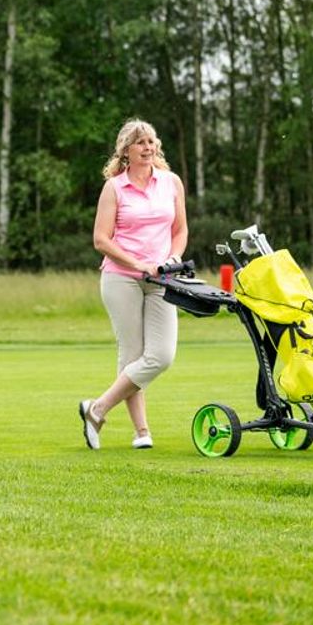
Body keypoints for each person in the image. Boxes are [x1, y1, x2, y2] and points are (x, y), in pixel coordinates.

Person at [78, 118, 189, 451]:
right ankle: (142, 432)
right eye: (140, 142)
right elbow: (101, 239)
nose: (148, 147)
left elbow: (180, 230)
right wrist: (138, 264)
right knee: (131, 356)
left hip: (161, 278)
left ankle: (97, 409)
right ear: (126, 150)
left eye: (151, 141)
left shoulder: (171, 182)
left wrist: (173, 257)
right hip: (121, 278)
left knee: (161, 355)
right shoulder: (114, 188)